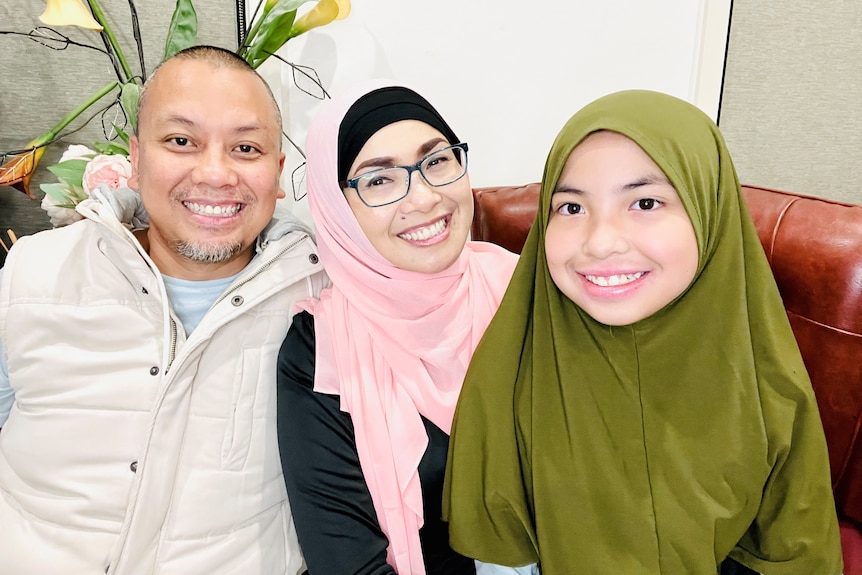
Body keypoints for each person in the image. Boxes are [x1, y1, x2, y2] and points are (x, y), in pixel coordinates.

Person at [443, 90, 844, 574]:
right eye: (571, 208)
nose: (601, 242)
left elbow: (796, 551)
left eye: (646, 202)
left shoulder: (765, 380)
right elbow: (498, 556)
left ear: (709, 212)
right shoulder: (508, 379)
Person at [0, 45, 326, 574]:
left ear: (280, 170)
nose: (216, 174)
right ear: (134, 159)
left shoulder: (326, 299)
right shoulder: (33, 272)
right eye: (181, 141)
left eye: (246, 148)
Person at [275, 80, 534, 575]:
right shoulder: (319, 349)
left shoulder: (524, 292)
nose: (423, 199)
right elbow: (347, 559)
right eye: (378, 181)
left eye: (436, 161)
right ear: (337, 209)